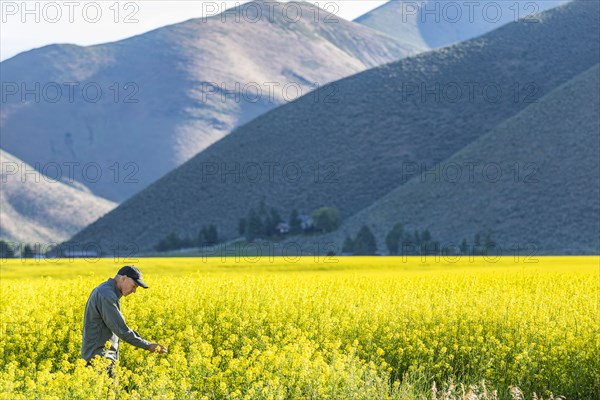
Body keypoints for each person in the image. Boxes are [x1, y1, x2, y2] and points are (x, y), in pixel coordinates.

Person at [81, 265, 167, 374]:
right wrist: (148, 345)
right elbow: (121, 329)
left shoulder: (106, 290)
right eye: (134, 286)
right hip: (99, 360)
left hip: (101, 358)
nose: (134, 291)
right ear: (123, 278)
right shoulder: (106, 295)